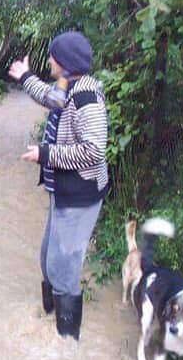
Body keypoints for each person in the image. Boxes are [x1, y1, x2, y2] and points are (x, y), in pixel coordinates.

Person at [8, 32, 108, 341]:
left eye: (52, 56)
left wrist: (46, 154)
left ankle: (66, 344)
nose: (49, 60)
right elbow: (50, 98)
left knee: (62, 269)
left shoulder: (87, 98)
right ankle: (47, 324)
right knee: (47, 260)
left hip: (80, 194)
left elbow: (94, 150)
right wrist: (25, 76)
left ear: (64, 64)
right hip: (63, 192)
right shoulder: (68, 85)